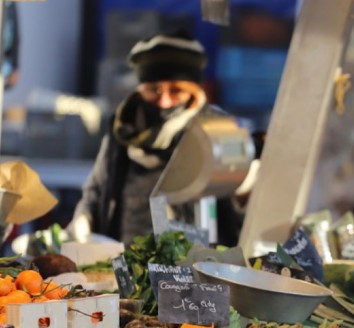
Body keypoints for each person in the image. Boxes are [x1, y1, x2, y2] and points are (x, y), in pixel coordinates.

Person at [70, 29, 245, 245]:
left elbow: (238, 208)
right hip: (121, 254)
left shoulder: (217, 130)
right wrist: (84, 218)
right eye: (154, 89)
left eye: (176, 90)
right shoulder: (123, 127)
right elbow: (97, 188)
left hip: (191, 259)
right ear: (140, 87)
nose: (164, 102)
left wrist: (245, 188)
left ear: (194, 89)